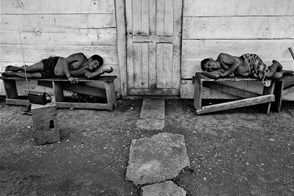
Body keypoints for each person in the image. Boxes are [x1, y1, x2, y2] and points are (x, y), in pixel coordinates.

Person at [2, 53, 113, 84]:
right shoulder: (80, 57)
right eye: (94, 63)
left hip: (52, 74)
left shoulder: (86, 71)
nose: (94, 67)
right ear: (90, 59)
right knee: (29, 69)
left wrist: (103, 71)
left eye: (96, 67)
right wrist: (69, 76)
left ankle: (11, 74)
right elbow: (64, 61)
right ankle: (17, 68)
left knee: (31, 76)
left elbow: (90, 76)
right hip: (52, 63)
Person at [201, 53, 293, 86]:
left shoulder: (222, 57)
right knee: (273, 75)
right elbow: (217, 76)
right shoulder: (220, 70)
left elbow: (236, 64)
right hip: (251, 72)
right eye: (209, 68)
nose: (211, 67)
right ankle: (279, 68)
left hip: (250, 61)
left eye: (209, 64)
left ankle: (277, 65)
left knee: (271, 75)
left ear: (211, 59)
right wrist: (205, 73)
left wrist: (225, 73)